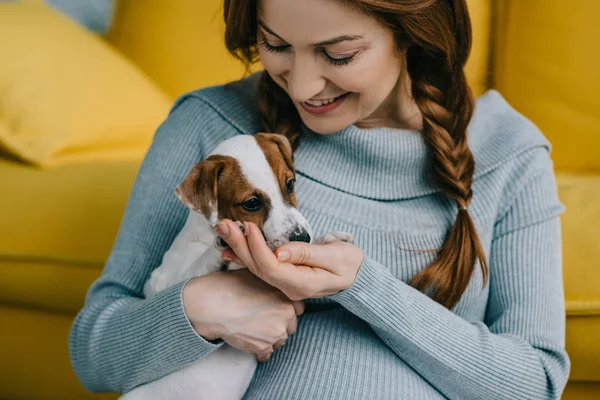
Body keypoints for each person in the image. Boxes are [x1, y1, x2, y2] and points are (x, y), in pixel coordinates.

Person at [68, 0, 571, 398]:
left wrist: (360, 286)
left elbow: (534, 385)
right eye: (276, 44)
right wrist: (198, 308)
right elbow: (94, 352)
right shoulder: (212, 129)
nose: (303, 86)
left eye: (339, 54)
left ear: (412, 34)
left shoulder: (510, 154)